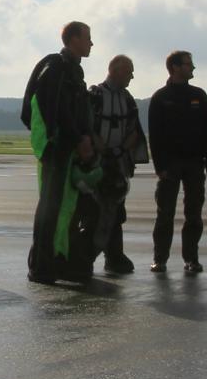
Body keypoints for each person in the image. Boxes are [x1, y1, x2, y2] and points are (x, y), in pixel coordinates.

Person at [21, 21, 97, 284]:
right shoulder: (55, 67)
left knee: (67, 207)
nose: (91, 43)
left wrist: (86, 137)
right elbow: (56, 109)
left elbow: (77, 111)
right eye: (87, 38)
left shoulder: (72, 70)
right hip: (56, 148)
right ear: (73, 39)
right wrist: (77, 138)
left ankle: (60, 259)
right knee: (51, 207)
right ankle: (41, 266)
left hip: (69, 147)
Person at [146, 50, 207, 274]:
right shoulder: (160, 97)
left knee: (194, 214)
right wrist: (159, 167)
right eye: (188, 64)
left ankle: (191, 259)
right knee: (165, 213)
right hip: (170, 165)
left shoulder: (199, 95)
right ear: (175, 67)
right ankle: (160, 259)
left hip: (195, 162)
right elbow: (155, 136)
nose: (192, 67)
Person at [89, 54, 147, 276]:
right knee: (94, 211)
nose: (131, 76)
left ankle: (114, 255)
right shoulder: (95, 96)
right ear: (115, 71)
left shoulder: (128, 99)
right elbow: (87, 126)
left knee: (117, 211)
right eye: (128, 72)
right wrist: (100, 149)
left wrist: (120, 151)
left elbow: (134, 130)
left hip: (118, 164)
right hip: (96, 164)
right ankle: (88, 255)